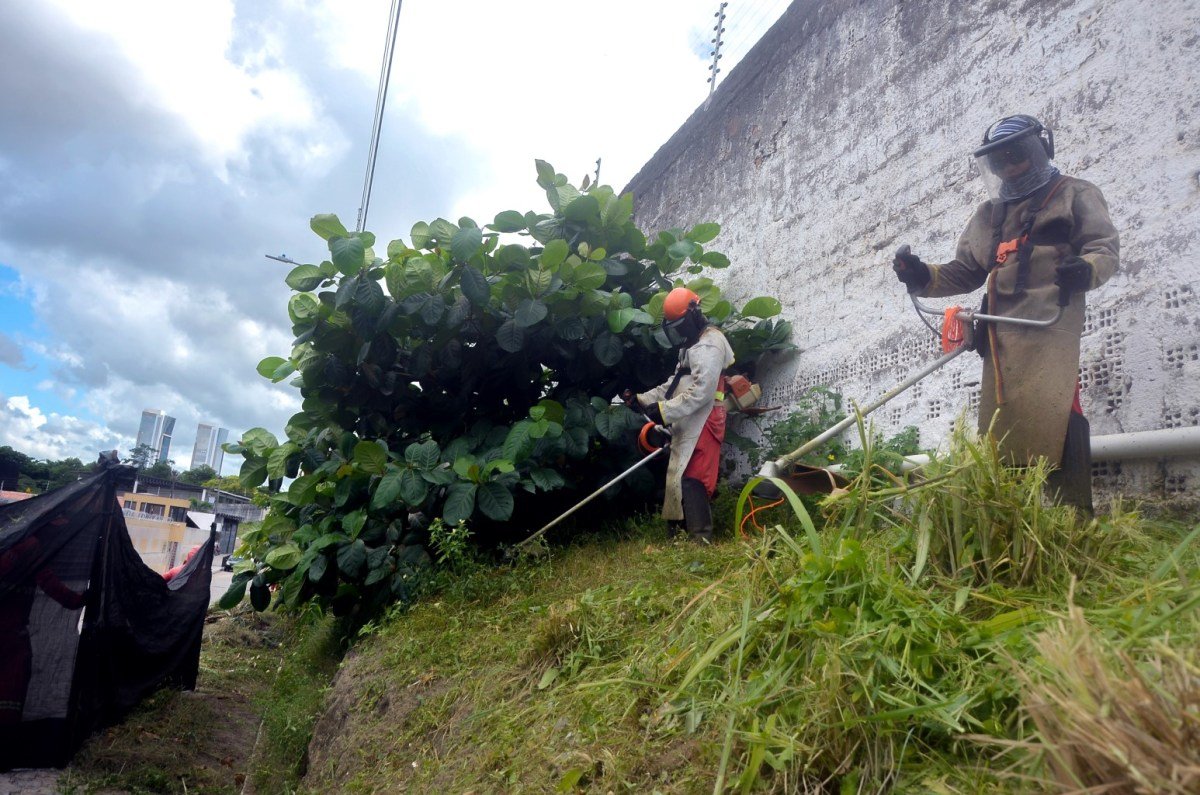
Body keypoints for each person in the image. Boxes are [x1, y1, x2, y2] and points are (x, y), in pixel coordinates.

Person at [891, 114, 1119, 511]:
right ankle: (1015, 516)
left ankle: (1073, 517)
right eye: (1001, 161)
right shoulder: (989, 215)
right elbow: (965, 271)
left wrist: (1086, 269)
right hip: (1001, 332)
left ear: (1040, 149)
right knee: (1003, 420)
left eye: (1018, 156)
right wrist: (922, 274)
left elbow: (1103, 249)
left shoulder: (1075, 194)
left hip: (1051, 324)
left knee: (1059, 411)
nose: (1011, 167)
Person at [624, 287, 734, 542]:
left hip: (706, 418)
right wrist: (643, 400)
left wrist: (664, 410)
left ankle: (700, 539)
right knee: (677, 475)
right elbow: (675, 383)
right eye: (675, 328)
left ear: (695, 314)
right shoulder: (690, 346)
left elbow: (702, 392)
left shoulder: (711, 342)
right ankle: (680, 538)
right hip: (688, 418)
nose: (680, 332)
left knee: (694, 477)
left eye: (682, 325)